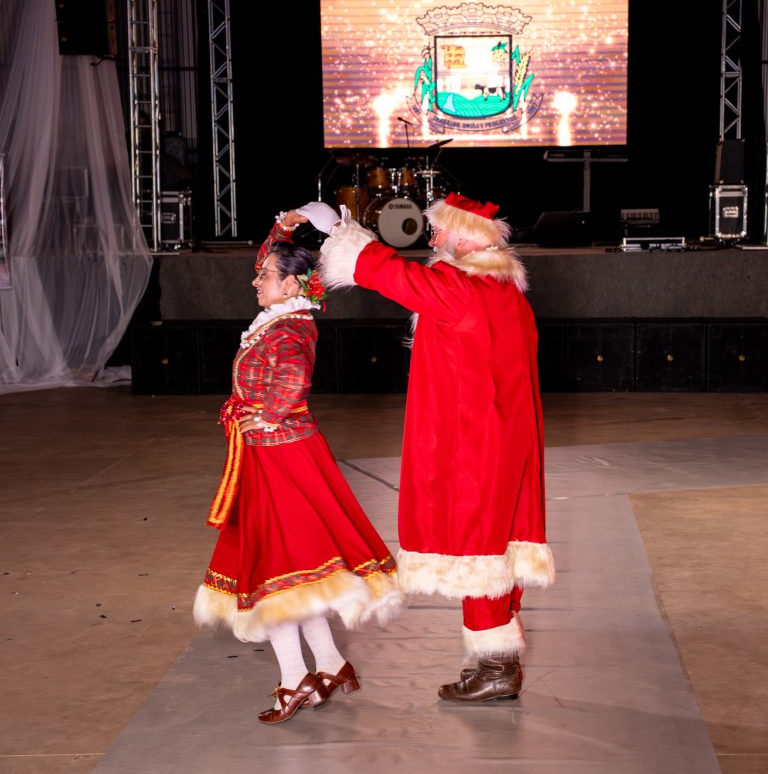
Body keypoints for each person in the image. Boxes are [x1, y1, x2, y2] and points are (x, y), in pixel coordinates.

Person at [299, 193, 554, 702]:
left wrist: (340, 234)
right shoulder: (506, 292)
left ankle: (495, 667)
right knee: (500, 542)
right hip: (506, 436)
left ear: (465, 233)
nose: (431, 236)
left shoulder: (461, 289)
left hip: (473, 442)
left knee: (477, 548)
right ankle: (498, 660)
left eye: (439, 228)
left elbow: (391, 274)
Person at [193, 209, 404, 724]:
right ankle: (330, 664)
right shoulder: (285, 313)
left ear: (291, 284)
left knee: (275, 571)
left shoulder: (288, 328)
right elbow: (272, 262)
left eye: (265, 275)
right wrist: (287, 226)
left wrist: (267, 415)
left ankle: (293, 680)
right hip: (275, 455)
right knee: (295, 570)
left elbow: (293, 380)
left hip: (279, 457)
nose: (256, 280)